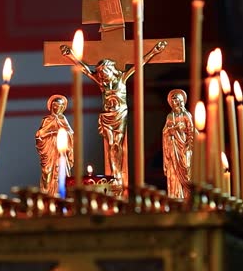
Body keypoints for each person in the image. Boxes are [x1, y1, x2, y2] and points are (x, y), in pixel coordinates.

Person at [60, 41, 167, 187]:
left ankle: (117, 175)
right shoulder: (101, 83)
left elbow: (139, 63)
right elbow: (85, 70)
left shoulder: (122, 79)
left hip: (119, 115)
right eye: (101, 74)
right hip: (106, 116)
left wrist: (155, 51)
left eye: (105, 73)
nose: (103, 76)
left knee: (117, 144)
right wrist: (71, 55)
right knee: (111, 144)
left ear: (111, 70)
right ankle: (115, 176)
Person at [35, 95, 74, 195]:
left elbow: (70, 133)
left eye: (59, 106)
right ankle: (48, 197)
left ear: (62, 107)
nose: (56, 108)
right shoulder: (47, 120)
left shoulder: (63, 119)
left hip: (61, 154)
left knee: (62, 175)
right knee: (47, 175)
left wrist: (62, 134)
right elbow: (39, 135)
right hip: (49, 153)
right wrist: (52, 133)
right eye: (55, 105)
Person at [162, 89, 194, 199]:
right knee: (173, 172)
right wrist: (173, 129)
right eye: (172, 101)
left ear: (181, 101)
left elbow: (191, 131)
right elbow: (165, 131)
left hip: (184, 147)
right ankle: (175, 196)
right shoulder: (170, 116)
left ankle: (187, 196)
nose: (174, 103)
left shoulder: (186, 115)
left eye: (176, 101)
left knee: (186, 171)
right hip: (172, 147)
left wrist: (188, 145)